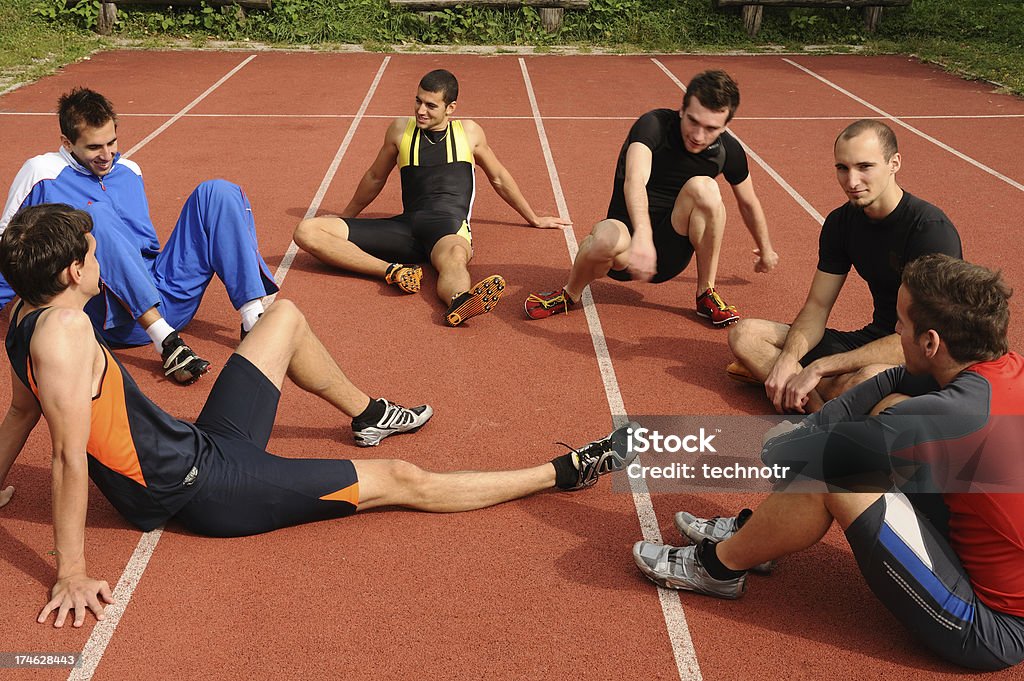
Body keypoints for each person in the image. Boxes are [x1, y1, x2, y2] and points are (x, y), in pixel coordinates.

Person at [0, 203, 637, 628]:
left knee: (282, 316)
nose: (102, 255)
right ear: (75, 270)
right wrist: (73, 572)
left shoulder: (24, 320)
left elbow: (21, 411)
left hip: (197, 444)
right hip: (202, 489)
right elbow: (62, 456)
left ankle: (367, 412)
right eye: (93, 248)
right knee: (399, 478)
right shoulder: (63, 334)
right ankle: (561, 472)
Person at [633, 254, 1024, 671]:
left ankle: (718, 567)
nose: (895, 331)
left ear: (930, 343)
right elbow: (893, 378)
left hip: (991, 626)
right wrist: (818, 425)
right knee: (882, 409)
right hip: (983, 553)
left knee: (831, 469)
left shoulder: (948, 418)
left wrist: (795, 438)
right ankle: (758, 539)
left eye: (902, 324)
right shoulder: (999, 371)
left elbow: (784, 457)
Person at [0, 87, 280, 386]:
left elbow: (145, 246)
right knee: (94, 216)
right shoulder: (41, 172)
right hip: (110, 313)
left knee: (216, 192)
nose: (107, 155)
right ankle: (167, 344)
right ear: (67, 143)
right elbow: (8, 247)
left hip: (164, 291)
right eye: (95, 147)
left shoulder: (130, 171)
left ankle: (252, 319)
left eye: (112, 142)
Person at [293, 69, 569, 327]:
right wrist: (347, 216)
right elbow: (375, 178)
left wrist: (533, 218)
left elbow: (499, 177)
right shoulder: (400, 130)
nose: (420, 110)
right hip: (404, 229)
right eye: (418, 101)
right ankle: (393, 272)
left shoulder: (469, 132)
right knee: (307, 230)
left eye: (430, 105)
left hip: (447, 229)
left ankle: (460, 300)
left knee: (455, 258)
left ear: (451, 108)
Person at [727, 119, 962, 413]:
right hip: (874, 339)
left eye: (865, 167)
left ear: (894, 163)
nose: (851, 182)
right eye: (842, 168)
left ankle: (809, 396)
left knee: (863, 380)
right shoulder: (841, 223)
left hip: (922, 355)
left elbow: (924, 337)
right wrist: (789, 359)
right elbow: (816, 307)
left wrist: (820, 368)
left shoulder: (929, 230)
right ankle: (817, 404)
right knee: (745, 334)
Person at [524, 69, 777, 327]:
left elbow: (748, 202)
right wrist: (642, 238)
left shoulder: (727, 151)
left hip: (671, 249)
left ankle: (706, 293)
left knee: (706, 189)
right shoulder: (653, 125)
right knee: (603, 240)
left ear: (725, 126)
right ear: (682, 110)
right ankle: (569, 293)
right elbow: (635, 181)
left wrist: (765, 249)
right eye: (693, 121)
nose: (698, 136)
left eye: (711, 128)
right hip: (627, 241)